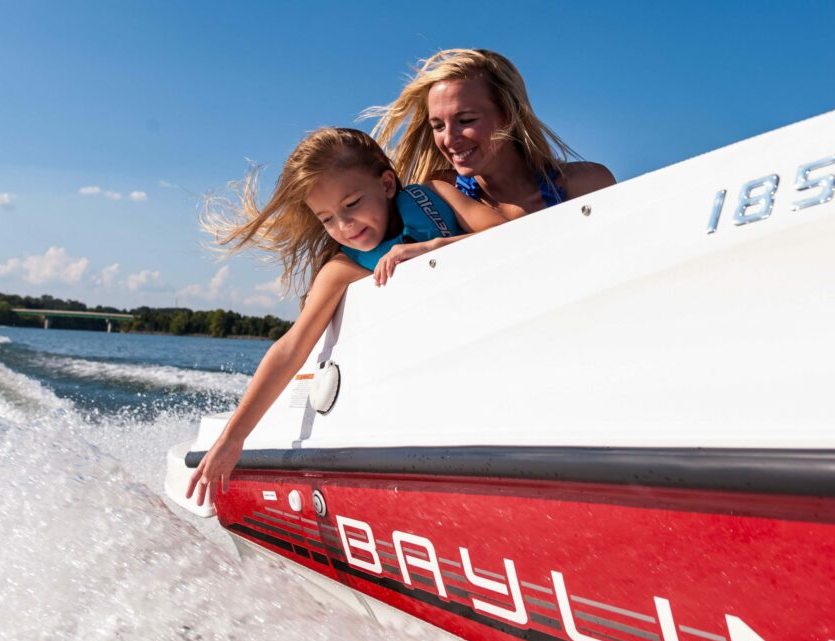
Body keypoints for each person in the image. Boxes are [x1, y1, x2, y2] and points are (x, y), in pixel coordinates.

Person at [186, 127, 509, 505]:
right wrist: (232, 438)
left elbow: (512, 235)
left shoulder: (436, 196)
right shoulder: (341, 269)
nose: (345, 226)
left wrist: (433, 250)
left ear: (387, 184)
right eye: (327, 219)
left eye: (352, 203)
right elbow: (292, 348)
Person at [367, 48, 615, 217]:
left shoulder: (586, 184)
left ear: (508, 114)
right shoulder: (437, 201)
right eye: (438, 126)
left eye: (465, 120)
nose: (450, 139)